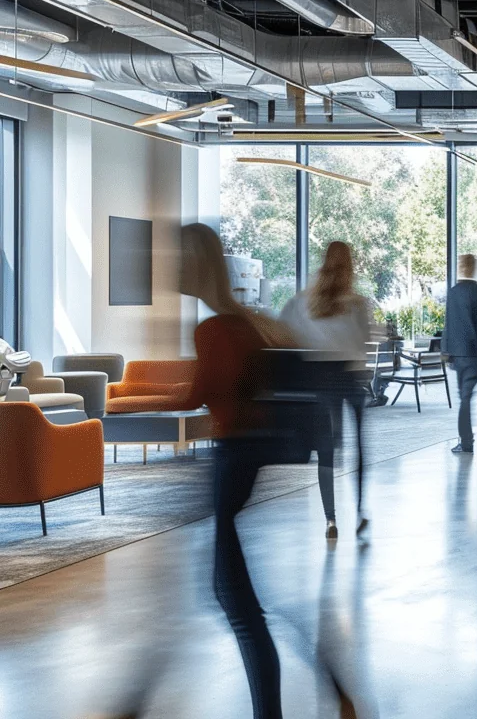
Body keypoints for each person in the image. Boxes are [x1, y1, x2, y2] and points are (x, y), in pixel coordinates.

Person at [174, 223, 295, 719]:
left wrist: (131, 401)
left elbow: (200, 392)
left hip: (234, 458)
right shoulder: (242, 320)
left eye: (179, 256)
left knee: (238, 605)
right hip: (244, 455)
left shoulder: (214, 328)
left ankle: (275, 709)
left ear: (195, 264)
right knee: (232, 597)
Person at [280, 241, 373, 540]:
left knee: (327, 451)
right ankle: (359, 510)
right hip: (350, 375)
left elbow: (285, 336)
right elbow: (363, 343)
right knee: (359, 447)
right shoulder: (357, 303)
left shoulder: (302, 301)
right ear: (351, 264)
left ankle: (330, 519)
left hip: (318, 379)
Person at [444, 253, 477, 453]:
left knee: (465, 398)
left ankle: (466, 442)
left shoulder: (454, 292)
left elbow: (448, 324)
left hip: (462, 354)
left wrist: (446, 351)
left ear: (461, 267)